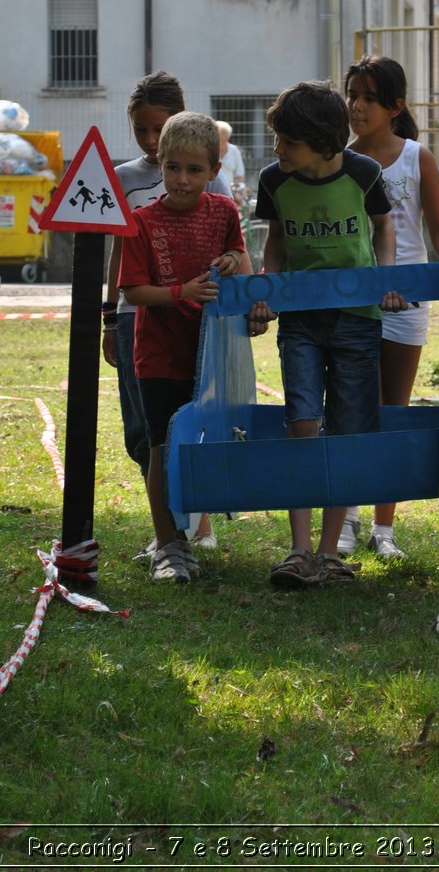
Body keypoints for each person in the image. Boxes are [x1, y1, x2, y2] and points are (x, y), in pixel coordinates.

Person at [250, 80, 405, 589]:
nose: (277, 150)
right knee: (301, 422)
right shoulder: (274, 181)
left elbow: (384, 227)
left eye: (287, 142)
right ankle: (297, 550)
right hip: (300, 320)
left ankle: (329, 551)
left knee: (347, 429)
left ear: (323, 142)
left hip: (358, 319)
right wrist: (268, 289)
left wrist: (385, 280)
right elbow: (274, 240)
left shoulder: (365, 173)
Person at [118, 111, 262, 585]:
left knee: (203, 444)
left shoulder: (223, 212)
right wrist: (181, 292)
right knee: (162, 446)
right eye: (173, 167)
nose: (182, 179)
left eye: (194, 170)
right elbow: (134, 292)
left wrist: (232, 261)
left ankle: (192, 532)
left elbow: (241, 261)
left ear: (214, 171)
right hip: (157, 355)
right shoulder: (141, 221)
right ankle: (167, 546)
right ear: (159, 164)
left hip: (211, 352)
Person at [103, 73, 233, 553]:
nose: (151, 141)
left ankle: (197, 524)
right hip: (142, 317)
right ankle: (168, 531)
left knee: (196, 424)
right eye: (142, 131)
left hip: (198, 323)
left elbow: (234, 252)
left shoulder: (212, 194)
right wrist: (110, 316)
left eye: (160, 128)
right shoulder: (126, 183)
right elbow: (120, 259)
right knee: (147, 432)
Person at [339, 54, 439, 559]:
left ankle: (383, 530)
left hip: (407, 303)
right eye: (353, 95)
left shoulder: (417, 157)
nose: (357, 107)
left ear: (395, 106)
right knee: (347, 410)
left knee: (393, 410)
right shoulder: (337, 158)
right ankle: (343, 517)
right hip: (350, 303)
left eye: (369, 98)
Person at [215, 121, 246, 196]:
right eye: (219, 135)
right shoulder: (209, 150)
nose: (221, 138)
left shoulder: (234, 151)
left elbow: (240, 175)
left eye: (223, 135)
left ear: (228, 137)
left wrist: (237, 191)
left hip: (229, 191)